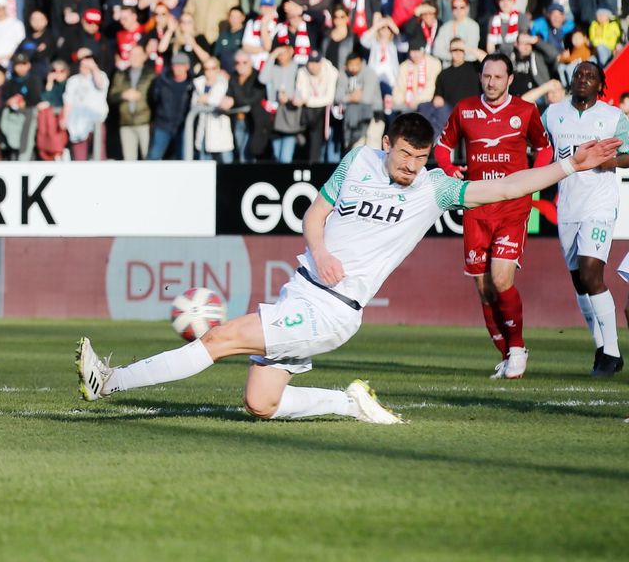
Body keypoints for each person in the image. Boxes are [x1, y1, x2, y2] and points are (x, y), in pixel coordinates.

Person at [77, 113, 621, 421]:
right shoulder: (357, 161)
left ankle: (110, 382)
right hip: (304, 288)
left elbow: (505, 186)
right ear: (385, 145)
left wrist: (570, 164)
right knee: (260, 403)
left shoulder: (435, 188)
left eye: (420, 158)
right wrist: (321, 251)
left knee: (219, 337)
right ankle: (349, 402)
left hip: (333, 310)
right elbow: (314, 216)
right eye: (404, 155)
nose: (412, 166)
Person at [433, 54, 552, 378]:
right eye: (487, 76)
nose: (491, 82)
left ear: (510, 79)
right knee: (484, 287)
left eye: (498, 77)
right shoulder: (465, 109)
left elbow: (544, 148)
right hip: (476, 206)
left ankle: (516, 349)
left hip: (512, 205)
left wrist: (533, 178)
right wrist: (448, 169)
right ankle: (507, 352)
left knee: (501, 278)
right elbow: (442, 147)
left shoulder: (525, 111)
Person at [543, 61, 629, 377]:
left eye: (590, 76)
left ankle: (612, 353)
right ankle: (600, 348)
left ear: (599, 85)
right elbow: (540, 148)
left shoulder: (613, 117)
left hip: (600, 204)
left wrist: (612, 162)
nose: (583, 79)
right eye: (579, 74)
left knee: (592, 273)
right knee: (580, 282)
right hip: (567, 205)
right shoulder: (553, 113)